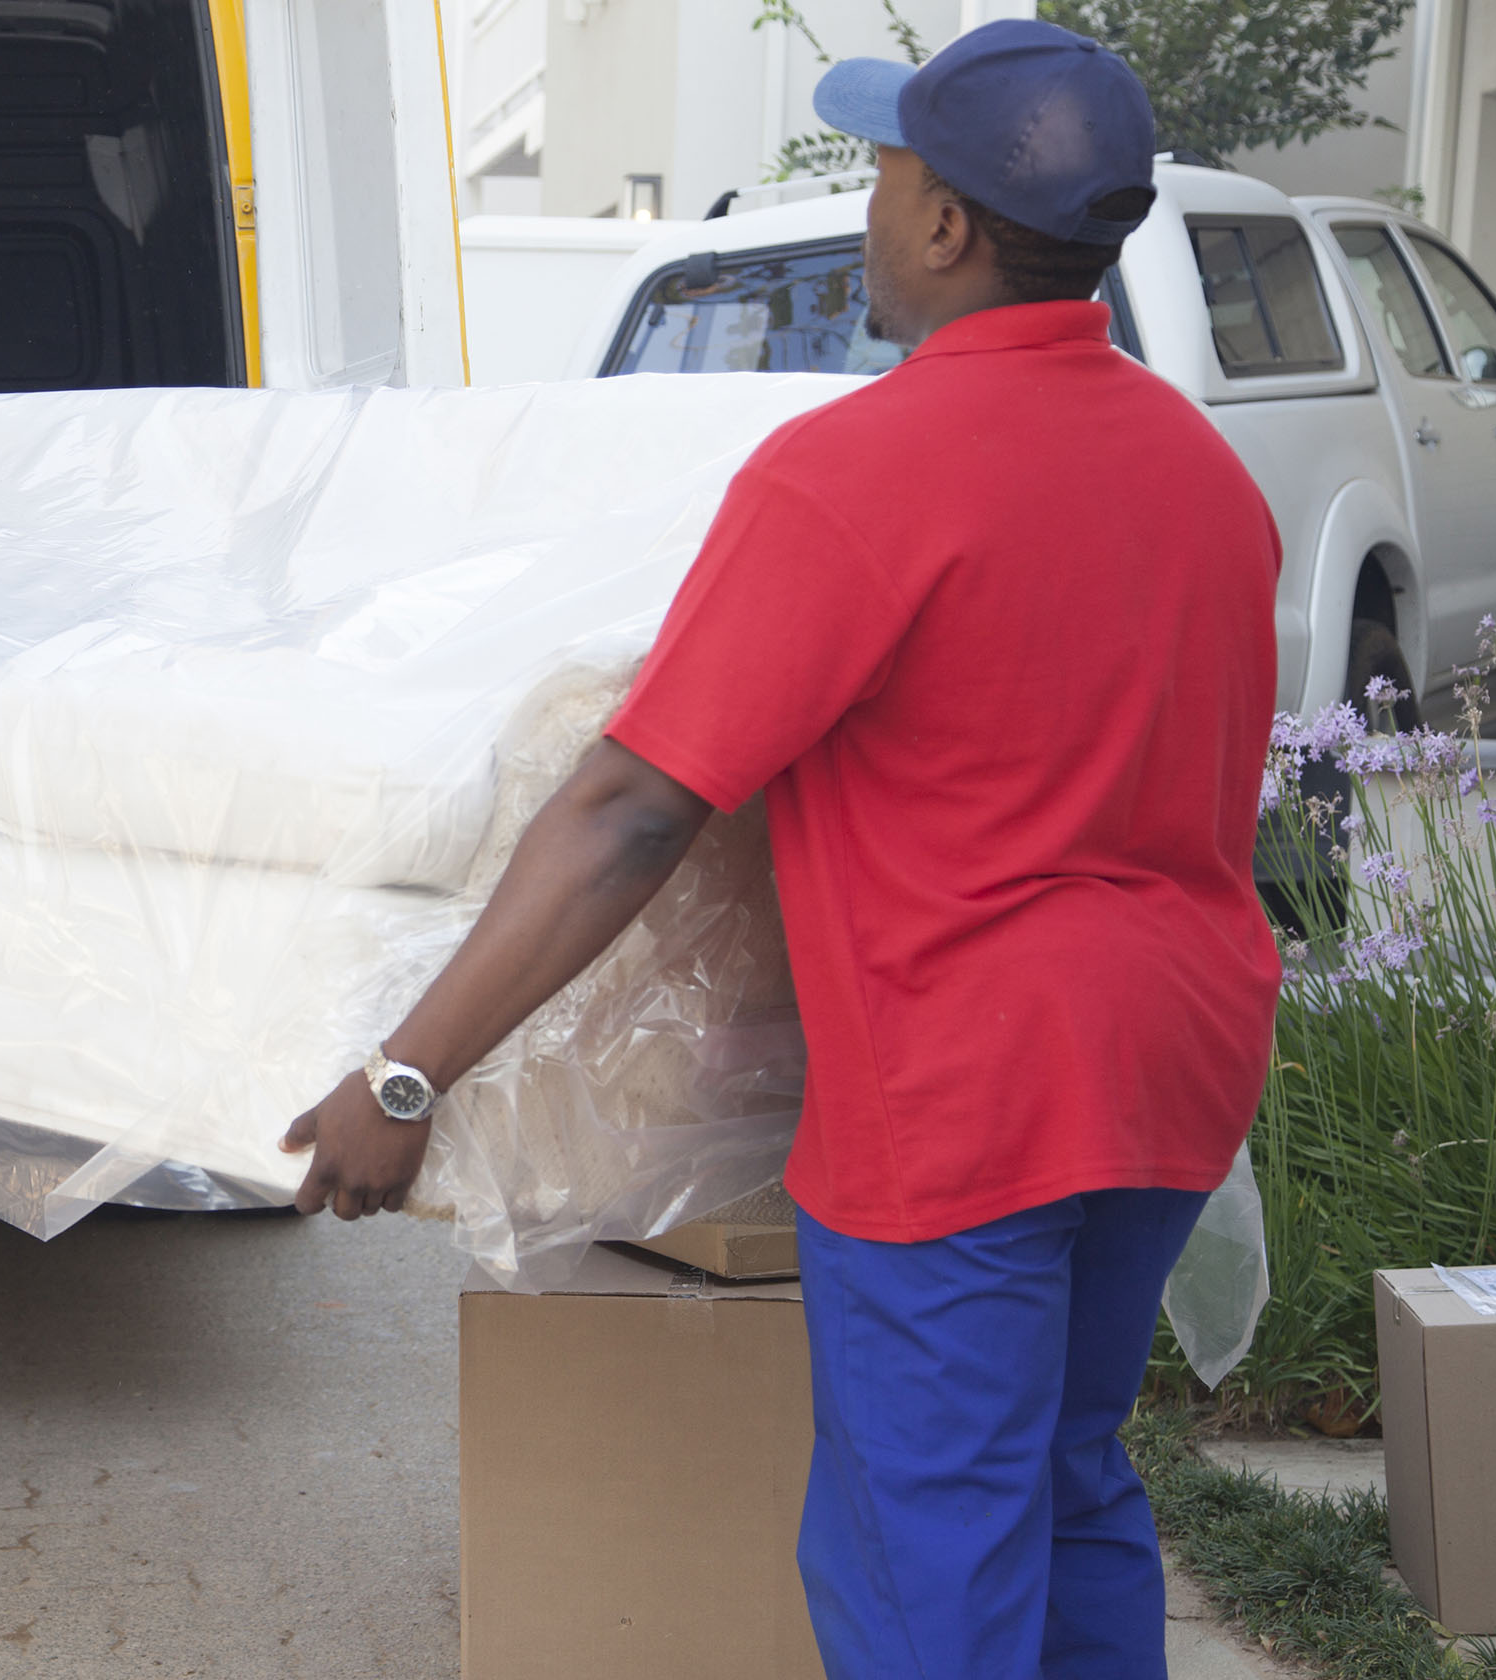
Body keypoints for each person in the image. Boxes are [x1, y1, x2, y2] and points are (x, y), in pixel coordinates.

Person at [282, 22, 1280, 1679]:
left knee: (928, 1546)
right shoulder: (1203, 468)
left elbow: (634, 806)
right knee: (1070, 1479)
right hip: (1172, 1072)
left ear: (951, 226)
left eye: (889, 169)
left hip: (968, 1094)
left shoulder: (858, 475)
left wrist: (408, 1077)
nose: (872, 201)